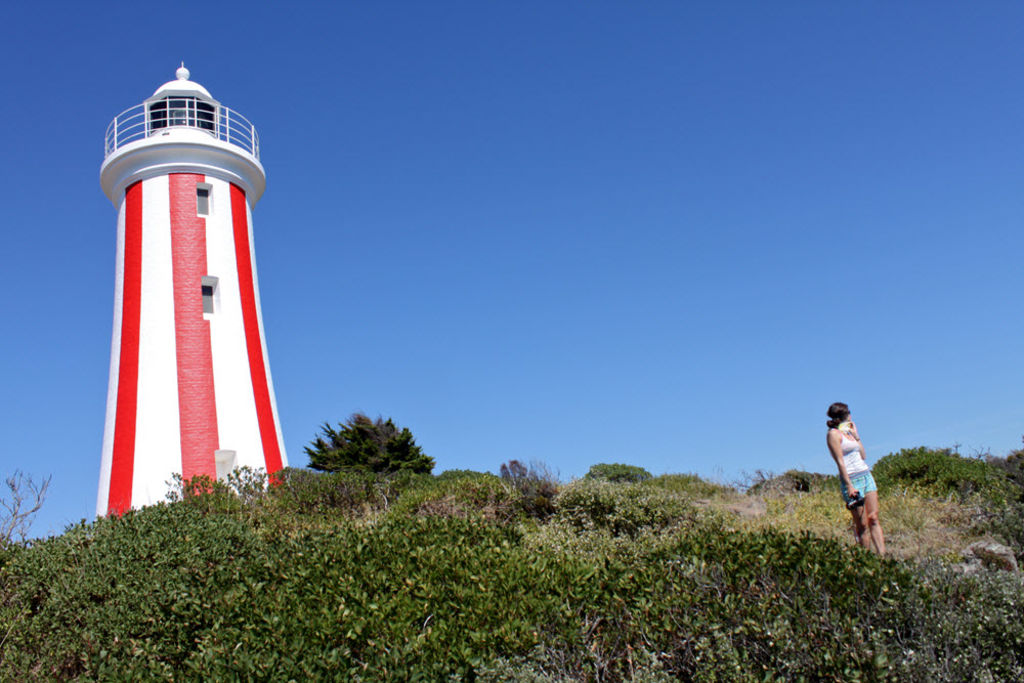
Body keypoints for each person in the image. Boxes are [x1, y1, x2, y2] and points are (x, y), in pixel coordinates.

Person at [826, 402, 885, 554]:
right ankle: (866, 560)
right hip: (852, 479)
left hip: (865, 474)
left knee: (873, 518)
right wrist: (849, 485)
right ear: (844, 415)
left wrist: (857, 437)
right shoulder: (833, 434)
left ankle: (882, 557)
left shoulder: (850, 432)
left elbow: (863, 455)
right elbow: (840, 461)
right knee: (862, 525)